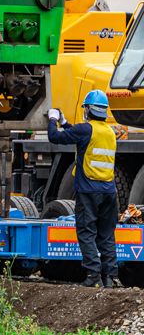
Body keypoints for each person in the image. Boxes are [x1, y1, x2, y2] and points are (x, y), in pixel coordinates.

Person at [49, 89, 120, 287]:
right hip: (109, 192)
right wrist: (65, 124)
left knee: (86, 232)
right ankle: (109, 278)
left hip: (89, 191)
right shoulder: (110, 132)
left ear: (88, 109)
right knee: (106, 235)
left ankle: (93, 276)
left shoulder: (85, 129)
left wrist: (53, 119)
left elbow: (55, 137)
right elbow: (81, 135)